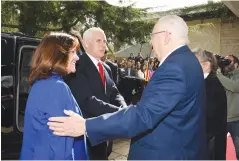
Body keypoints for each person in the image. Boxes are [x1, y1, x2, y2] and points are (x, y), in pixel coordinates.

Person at [48, 15, 207, 159]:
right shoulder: (189, 62)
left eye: (153, 36)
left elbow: (142, 116)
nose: (151, 43)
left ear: (166, 37)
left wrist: (85, 125)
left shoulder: (175, 68)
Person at [20, 32, 88, 160]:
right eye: (73, 52)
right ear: (58, 55)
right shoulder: (57, 87)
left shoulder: (42, 83)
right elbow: (61, 147)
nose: (78, 57)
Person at [64, 27, 127, 160]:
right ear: (86, 43)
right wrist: (119, 113)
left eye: (104, 41)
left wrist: (124, 107)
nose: (104, 44)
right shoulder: (77, 65)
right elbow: (87, 101)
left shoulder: (107, 68)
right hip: (86, 136)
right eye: (99, 41)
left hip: (105, 135)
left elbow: (114, 92)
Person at [193, 48, 227, 159]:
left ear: (206, 65)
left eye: (195, 63)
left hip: (210, 141)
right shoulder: (203, 82)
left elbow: (209, 114)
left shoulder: (212, 85)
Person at [217, 55, 239, 159]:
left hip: (236, 120)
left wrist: (219, 75)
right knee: (219, 148)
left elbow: (234, 87)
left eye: (228, 61)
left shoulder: (234, 76)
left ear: (236, 64)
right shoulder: (221, 75)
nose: (225, 62)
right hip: (222, 119)